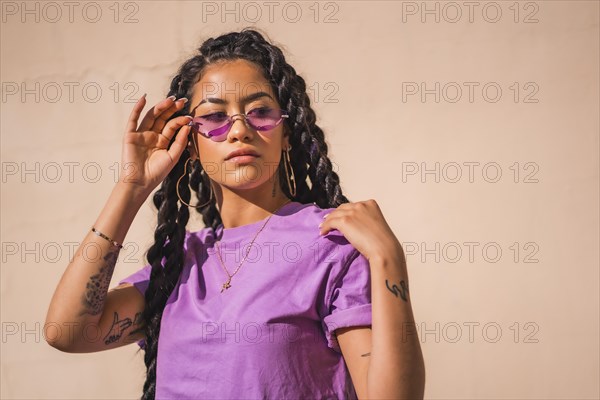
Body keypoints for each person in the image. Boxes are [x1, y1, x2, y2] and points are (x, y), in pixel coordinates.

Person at [45, 28, 425, 400]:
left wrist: (388, 258)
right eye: (213, 118)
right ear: (189, 143)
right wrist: (131, 189)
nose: (239, 130)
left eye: (260, 111)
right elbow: (68, 332)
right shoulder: (180, 264)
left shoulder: (332, 242)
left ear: (287, 132)